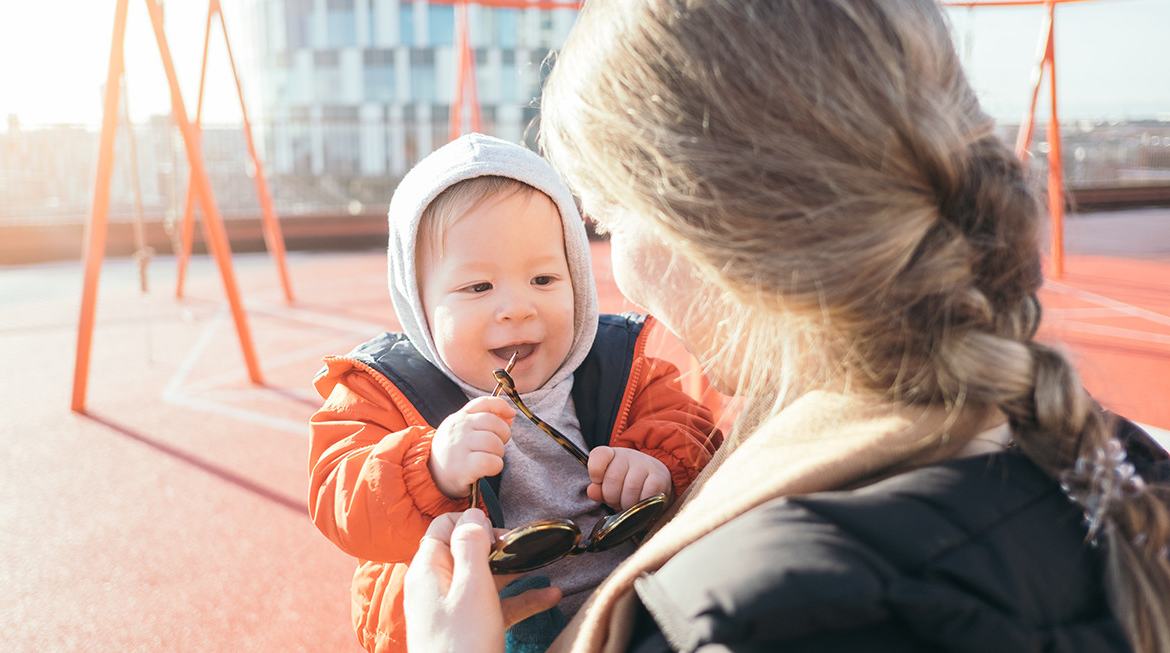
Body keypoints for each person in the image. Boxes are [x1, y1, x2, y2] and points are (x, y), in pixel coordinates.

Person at [402, 1, 1170, 652]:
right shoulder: (1116, 457)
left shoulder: (754, 611)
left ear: (707, 227)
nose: (618, 274)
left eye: (609, 220)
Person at [307, 133, 721, 653]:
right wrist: (428, 467)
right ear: (418, 302)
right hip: (480, 624)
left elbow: (694, 431)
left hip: (632, 595)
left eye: (544, 278)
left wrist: (659, 465)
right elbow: (338, 498)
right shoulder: (385, 391)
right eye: (479, 288)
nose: (517, 308)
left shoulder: (620, 364)